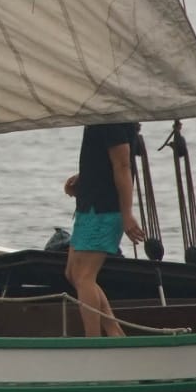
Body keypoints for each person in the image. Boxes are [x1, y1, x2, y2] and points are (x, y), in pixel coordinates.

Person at [61, 122, 145, 337]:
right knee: (73, 274)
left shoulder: (112, 120)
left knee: (84, 276)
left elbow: (123, 166)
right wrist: (84, 179)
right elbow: (103, 160)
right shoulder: (98, 118)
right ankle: (114, 332)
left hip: (105, 209)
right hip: (90, 206)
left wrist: (127, 214)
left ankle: (94, 340)